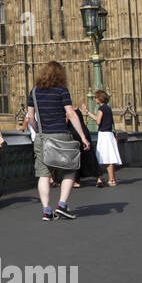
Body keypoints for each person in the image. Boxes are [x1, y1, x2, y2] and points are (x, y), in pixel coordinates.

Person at [25, 61, 90, 222]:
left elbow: (30, 118)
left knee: (43, 174)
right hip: (61, 134)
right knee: (70, 168)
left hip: (42, 136)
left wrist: (38, 129)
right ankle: (61, 205)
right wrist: (82, 137)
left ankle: (46, 211)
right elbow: (71, 114)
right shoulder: (62, 90)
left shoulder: (34, 92)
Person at [83, 90, 121, 186]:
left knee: (105, 157)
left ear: (99, 98)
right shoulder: (108, 108)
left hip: (104, 134)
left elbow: (98, 121)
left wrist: (88, 113)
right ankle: (112, 179)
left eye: (95, 98)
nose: (94, 99)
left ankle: (109, 179)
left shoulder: (101, 108)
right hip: (110, 134)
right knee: (110, 157)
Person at [68, 104, 99, 188]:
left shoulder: (68, 111)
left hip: (75, 133)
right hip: (85, 132)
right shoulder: (76, 109)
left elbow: (66, 122)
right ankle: (98, 178)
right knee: (90, 155)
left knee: (76, 157)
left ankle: (76, 181)